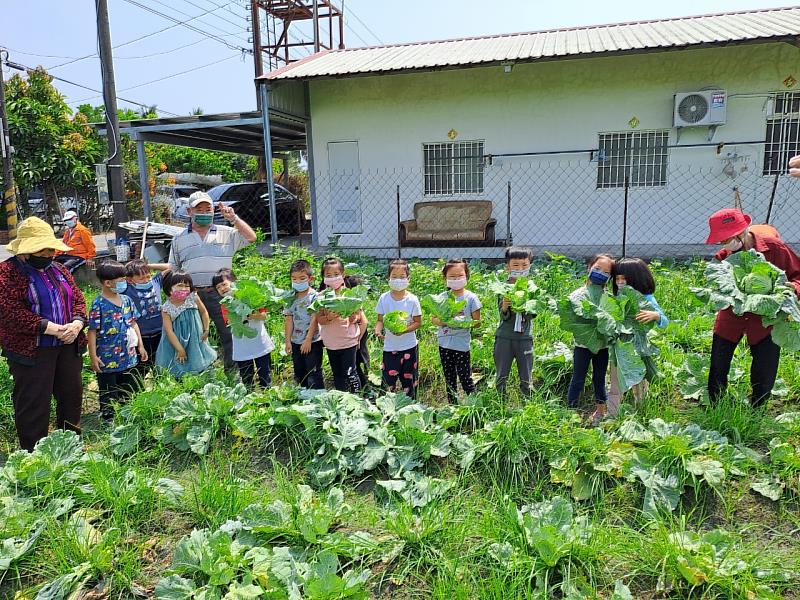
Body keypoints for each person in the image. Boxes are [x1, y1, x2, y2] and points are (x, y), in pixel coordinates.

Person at [0, 217, 87, 451]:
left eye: (52, 249)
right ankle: (33, 457)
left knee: (71, 397)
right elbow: (10, 312)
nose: (50, 254)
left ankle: (70, 449)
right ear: (26, 250)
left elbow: (78, 298)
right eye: (43, 250)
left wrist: (77, 324)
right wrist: (53, 329)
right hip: (33, 350)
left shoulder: (58, 268)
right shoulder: (7, 273)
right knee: (33, 403)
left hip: (68, 346)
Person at [705, 208, 800, 407]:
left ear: (742, 232)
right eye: (721, 241)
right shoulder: (723, 257)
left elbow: (797, 276)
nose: (724, 244)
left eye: (727, 239)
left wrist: (793, 288)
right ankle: (716, 404)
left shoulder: (775, 249)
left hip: (767, 314)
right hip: (733, 312)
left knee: (764, 365)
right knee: (718, 364)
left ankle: (758, 407)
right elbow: (717, 284)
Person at [167, 191, 256, 373]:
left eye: (208, 209)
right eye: (199, 209)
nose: (204, 212)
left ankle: (233, 373)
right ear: (189, 211)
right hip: (192, 296)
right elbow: (173, 268)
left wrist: (234, 218)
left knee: (229, 332)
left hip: (222, 293)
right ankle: (197, 373)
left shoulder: (228, 233)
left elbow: (251, 238)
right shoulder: (179, 238)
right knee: (193, 334)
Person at [606, 257, 668, 417]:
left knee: (639, 376)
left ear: (636, 279)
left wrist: (655, 316)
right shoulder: (616, 297)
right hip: (619, 344)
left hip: (639, 345)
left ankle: (641, 408)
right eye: (617, 278)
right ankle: (616, 407)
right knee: (618, 374)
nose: (620, 282)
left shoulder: (646, 298)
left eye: (624, 279)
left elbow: (664, 321)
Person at [88, 261, 148, 423]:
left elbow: (133, 322)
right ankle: (108, 417)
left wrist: (140, 346)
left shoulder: (127, 300)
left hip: (128, 354)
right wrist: (93, 356)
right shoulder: (98, 304)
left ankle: (128, 412)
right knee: (108, 388)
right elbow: (92, 331)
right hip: (107, 358)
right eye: (121, 279)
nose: (124, 282)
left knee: (128, 385)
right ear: (108, 283)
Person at [566, 254, 615, 426]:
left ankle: (600, 411)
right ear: (589, 268)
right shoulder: (577, 295)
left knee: (599, 378)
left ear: (610, 277)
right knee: (578, 378)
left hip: (602, 346)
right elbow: (572, 319)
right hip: (582, 345)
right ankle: (571, 411)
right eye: (597, 269)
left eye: (606, 272)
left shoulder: (609, 298)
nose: (600, 273)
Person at [312, 257, 367, 393]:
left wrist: (353, 318)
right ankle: (342, 397)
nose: (333, 278)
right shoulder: (321, 297)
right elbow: (320, 320)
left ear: (343, 274)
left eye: (336, 275)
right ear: (323, 278)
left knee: (350, 372)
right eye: (328, 275)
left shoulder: (351, 295)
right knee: (337, 373)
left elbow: (359, 317)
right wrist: (329, 317)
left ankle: (356, 398)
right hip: (331, 343)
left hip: (349, 342)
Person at [213, 269, 274, 389]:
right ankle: (249, 396)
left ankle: (267, 396)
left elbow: (263, 316)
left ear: (234, 282)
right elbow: (229, 322)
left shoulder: (251, 296)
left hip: (259, 341)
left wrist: (251, 314)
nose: (222, 288)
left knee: (265, 374)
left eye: (224, 284)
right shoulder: (225, 304)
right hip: (241, 344)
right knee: (246, 376)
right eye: (218, 287)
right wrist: (241, 315)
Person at [432, 258, 482, 403]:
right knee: (449, 378)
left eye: (459, 276)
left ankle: (474, 406)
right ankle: (452, 406)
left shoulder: (471, 298)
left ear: (466, 276)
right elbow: (433, 319)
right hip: (444, 343)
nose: (456, 279)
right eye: (452, 277)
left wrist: (462, 323)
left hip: (462, 345)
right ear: (445, 278)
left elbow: (477, 323)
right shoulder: (441, 298)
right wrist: (444, 321)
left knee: (465, 377)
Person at [374, 259, 423, 398]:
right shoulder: (384, 298)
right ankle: (387, 407)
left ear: (408, 279)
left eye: (402, 277)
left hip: (409, 347)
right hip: (390, 348)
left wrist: (404, 330)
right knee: (388, 380)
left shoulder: (413, 299)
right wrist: (378, 329)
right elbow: (379, 320)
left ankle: (410, 406)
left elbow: (418, 322)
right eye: (394, 277)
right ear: (388, 279)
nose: (398, 280)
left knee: (409, 380)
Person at [155, 270, 217, 378]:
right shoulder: (166, 308)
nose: (184, 289)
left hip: (195, 337)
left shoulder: (193, 298)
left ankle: (201, 380)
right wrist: (179, 349)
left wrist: (206, 329)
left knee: (197, 357)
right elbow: (169, 331)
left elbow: (204, 312)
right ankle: (182, 383)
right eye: (180, 285)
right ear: (169, 288)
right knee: (179, 361)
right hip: (176, 341)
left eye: (187, 286)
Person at [494, 246, 535, 396]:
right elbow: (502, 314)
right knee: (501, 374)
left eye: (524, 265)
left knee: (526, 376)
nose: (520, 269)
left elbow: (533, 312)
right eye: (516, 265)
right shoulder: (503, 288)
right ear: (508, 267)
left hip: (524, 338)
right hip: (504, 336)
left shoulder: (532, 288)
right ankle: (500, 404)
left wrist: (524, 306)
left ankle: (528, 404)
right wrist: (505, 307)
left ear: (530, 266)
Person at [123, 259, 170, 385]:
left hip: (160, 332)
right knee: (142, 366)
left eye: (148, 276)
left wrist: (147, 266)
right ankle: (136, 390)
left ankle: (161, 387)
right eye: (141, 278)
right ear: (130, 279)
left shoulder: (155, 282)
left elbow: (171, 266)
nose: (146, 280)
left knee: (159, 364)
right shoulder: (127, 289)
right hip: (142, 336)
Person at [284, 259, 324, 389]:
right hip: (296, 341)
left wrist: (308, 340)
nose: (297, 282)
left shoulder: (314, 296)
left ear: (310, 278)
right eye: (294, 279)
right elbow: (289, 319)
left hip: (312, 341)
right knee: (299, 372)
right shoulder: (290, 297)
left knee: (313, 372)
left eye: (302, 278)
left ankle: (317, 398)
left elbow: (315, 319)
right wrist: (288, 341)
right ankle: (303, 398)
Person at [345, 274, 371, 389]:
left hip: (358, 336)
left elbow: (364, 322)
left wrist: (357, 339)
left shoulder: (355, 304)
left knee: (358, 362)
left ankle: (365, 388)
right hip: (351, 338)